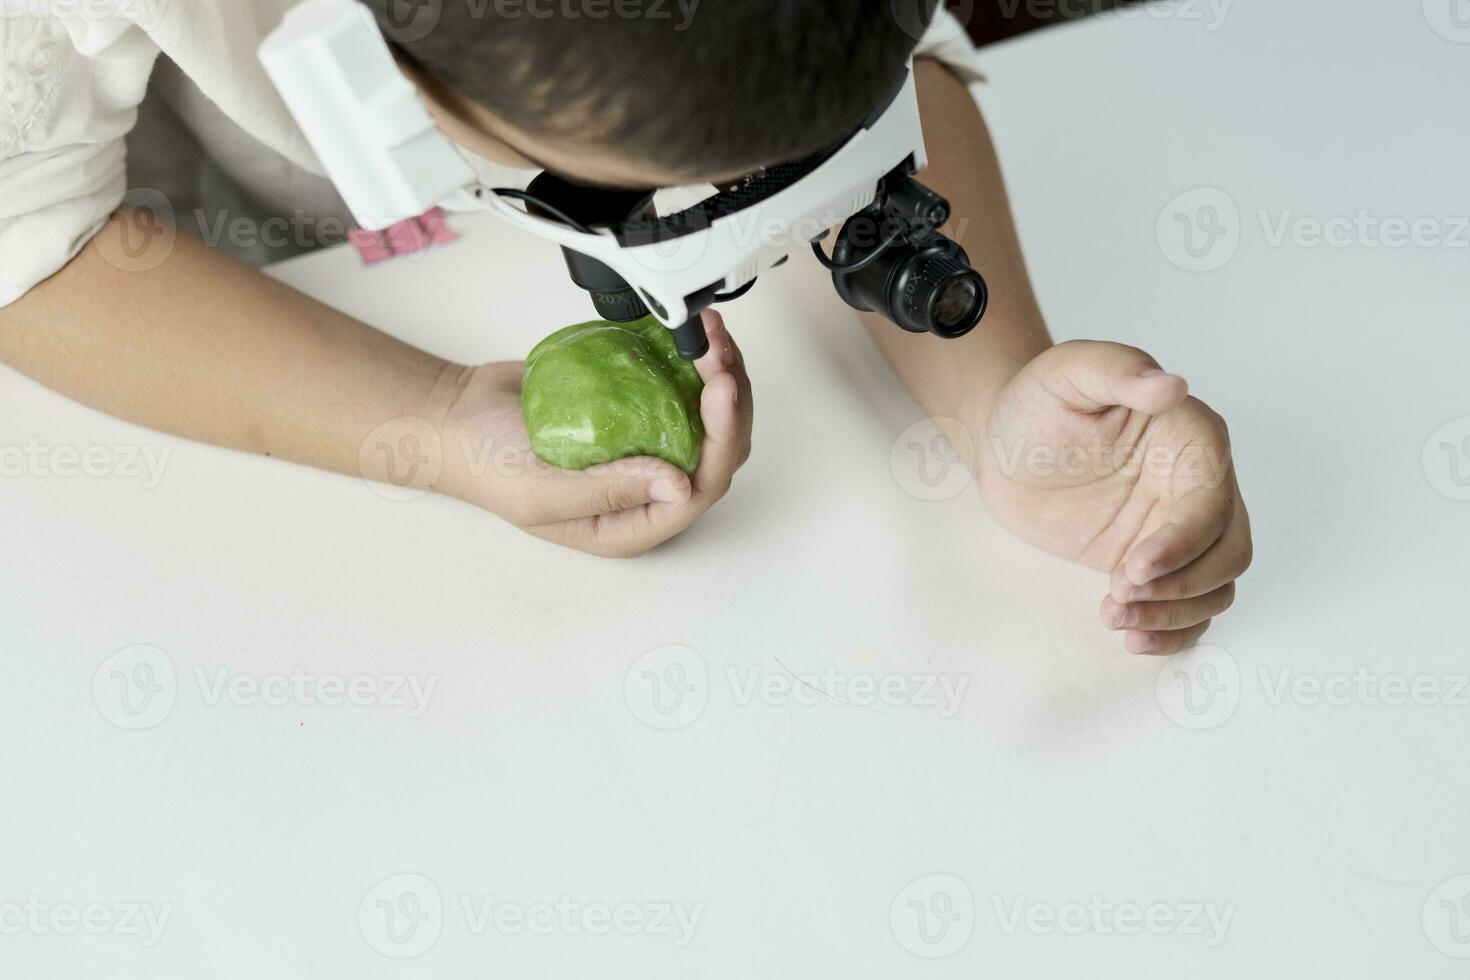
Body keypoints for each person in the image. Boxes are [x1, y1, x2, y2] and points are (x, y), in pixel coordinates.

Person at [0, 0, 1250, 654]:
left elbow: (873, 63)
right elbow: (31, 240)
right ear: (362, 75)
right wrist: (424, 421)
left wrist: (996, 389)